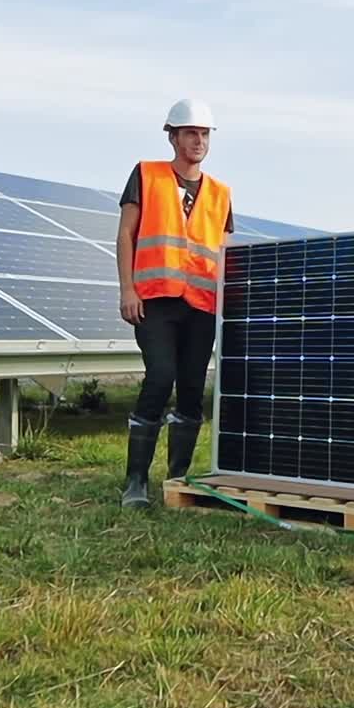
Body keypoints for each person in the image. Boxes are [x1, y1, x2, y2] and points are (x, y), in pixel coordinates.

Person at [116, 98, 234, 508]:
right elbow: (126, 235)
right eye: (190, 133)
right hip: (155, 301)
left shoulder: (221, 193)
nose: (198, 141)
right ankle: (135, 481)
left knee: (190, 389)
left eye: (204, 134)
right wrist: (127, 289)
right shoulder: (146, 175)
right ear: (173, 136)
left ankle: (178, 479)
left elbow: (223, 251)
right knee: (159, 377)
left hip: (201, 304)